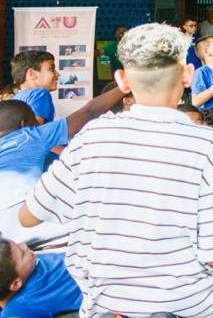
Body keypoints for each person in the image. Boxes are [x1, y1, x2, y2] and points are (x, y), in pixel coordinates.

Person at [18, 23, 213, 318]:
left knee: (123, 306)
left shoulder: (91, 137)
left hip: (105, 302)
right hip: (183, 296)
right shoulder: (208, 143)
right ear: (187, 73)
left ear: (122, 81)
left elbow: (28, 217)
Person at [0, 85, 127, 245]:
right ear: (25, 124)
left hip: (6, 239)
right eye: (36, 122)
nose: (40, 127)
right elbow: (90, 111)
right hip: (27, 222)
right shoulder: (28, 136)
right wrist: (125, 86)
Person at [0, 239, 82, 318]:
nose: (24, 245)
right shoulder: (24, 303)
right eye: (23, 253)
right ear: (15, 284)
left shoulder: (24, 304)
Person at [10, 50, 58, 124]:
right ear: (32, 74)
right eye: (51, 69)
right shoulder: (40, 94)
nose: (57, 74)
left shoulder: (15, 98)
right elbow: (33, 131)